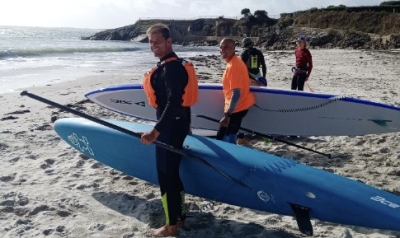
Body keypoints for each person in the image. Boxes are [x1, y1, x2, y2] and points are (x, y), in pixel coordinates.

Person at [140, 23, 198, 237]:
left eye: (157, 41)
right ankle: (180, 219)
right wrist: (186, 125)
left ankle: (170, 226)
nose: (153, 46)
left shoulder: (171, 68)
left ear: (168, 41)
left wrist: (155, 132)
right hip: (176, 126)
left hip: (170, 129)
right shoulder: (172, 64)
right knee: (173, 175)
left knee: (166, 177)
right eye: (150, 42)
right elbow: (183, 104)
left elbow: (174, 103)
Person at [216, 38, 255, 144]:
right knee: (231, 136)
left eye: (226, 47)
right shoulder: (235, 62)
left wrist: (227, 115)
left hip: (235, 110)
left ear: (233, 48)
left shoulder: (234, 66)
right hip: (239, 108)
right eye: (221, 47)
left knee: (222, 140)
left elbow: (236, 93)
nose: (222, 50)